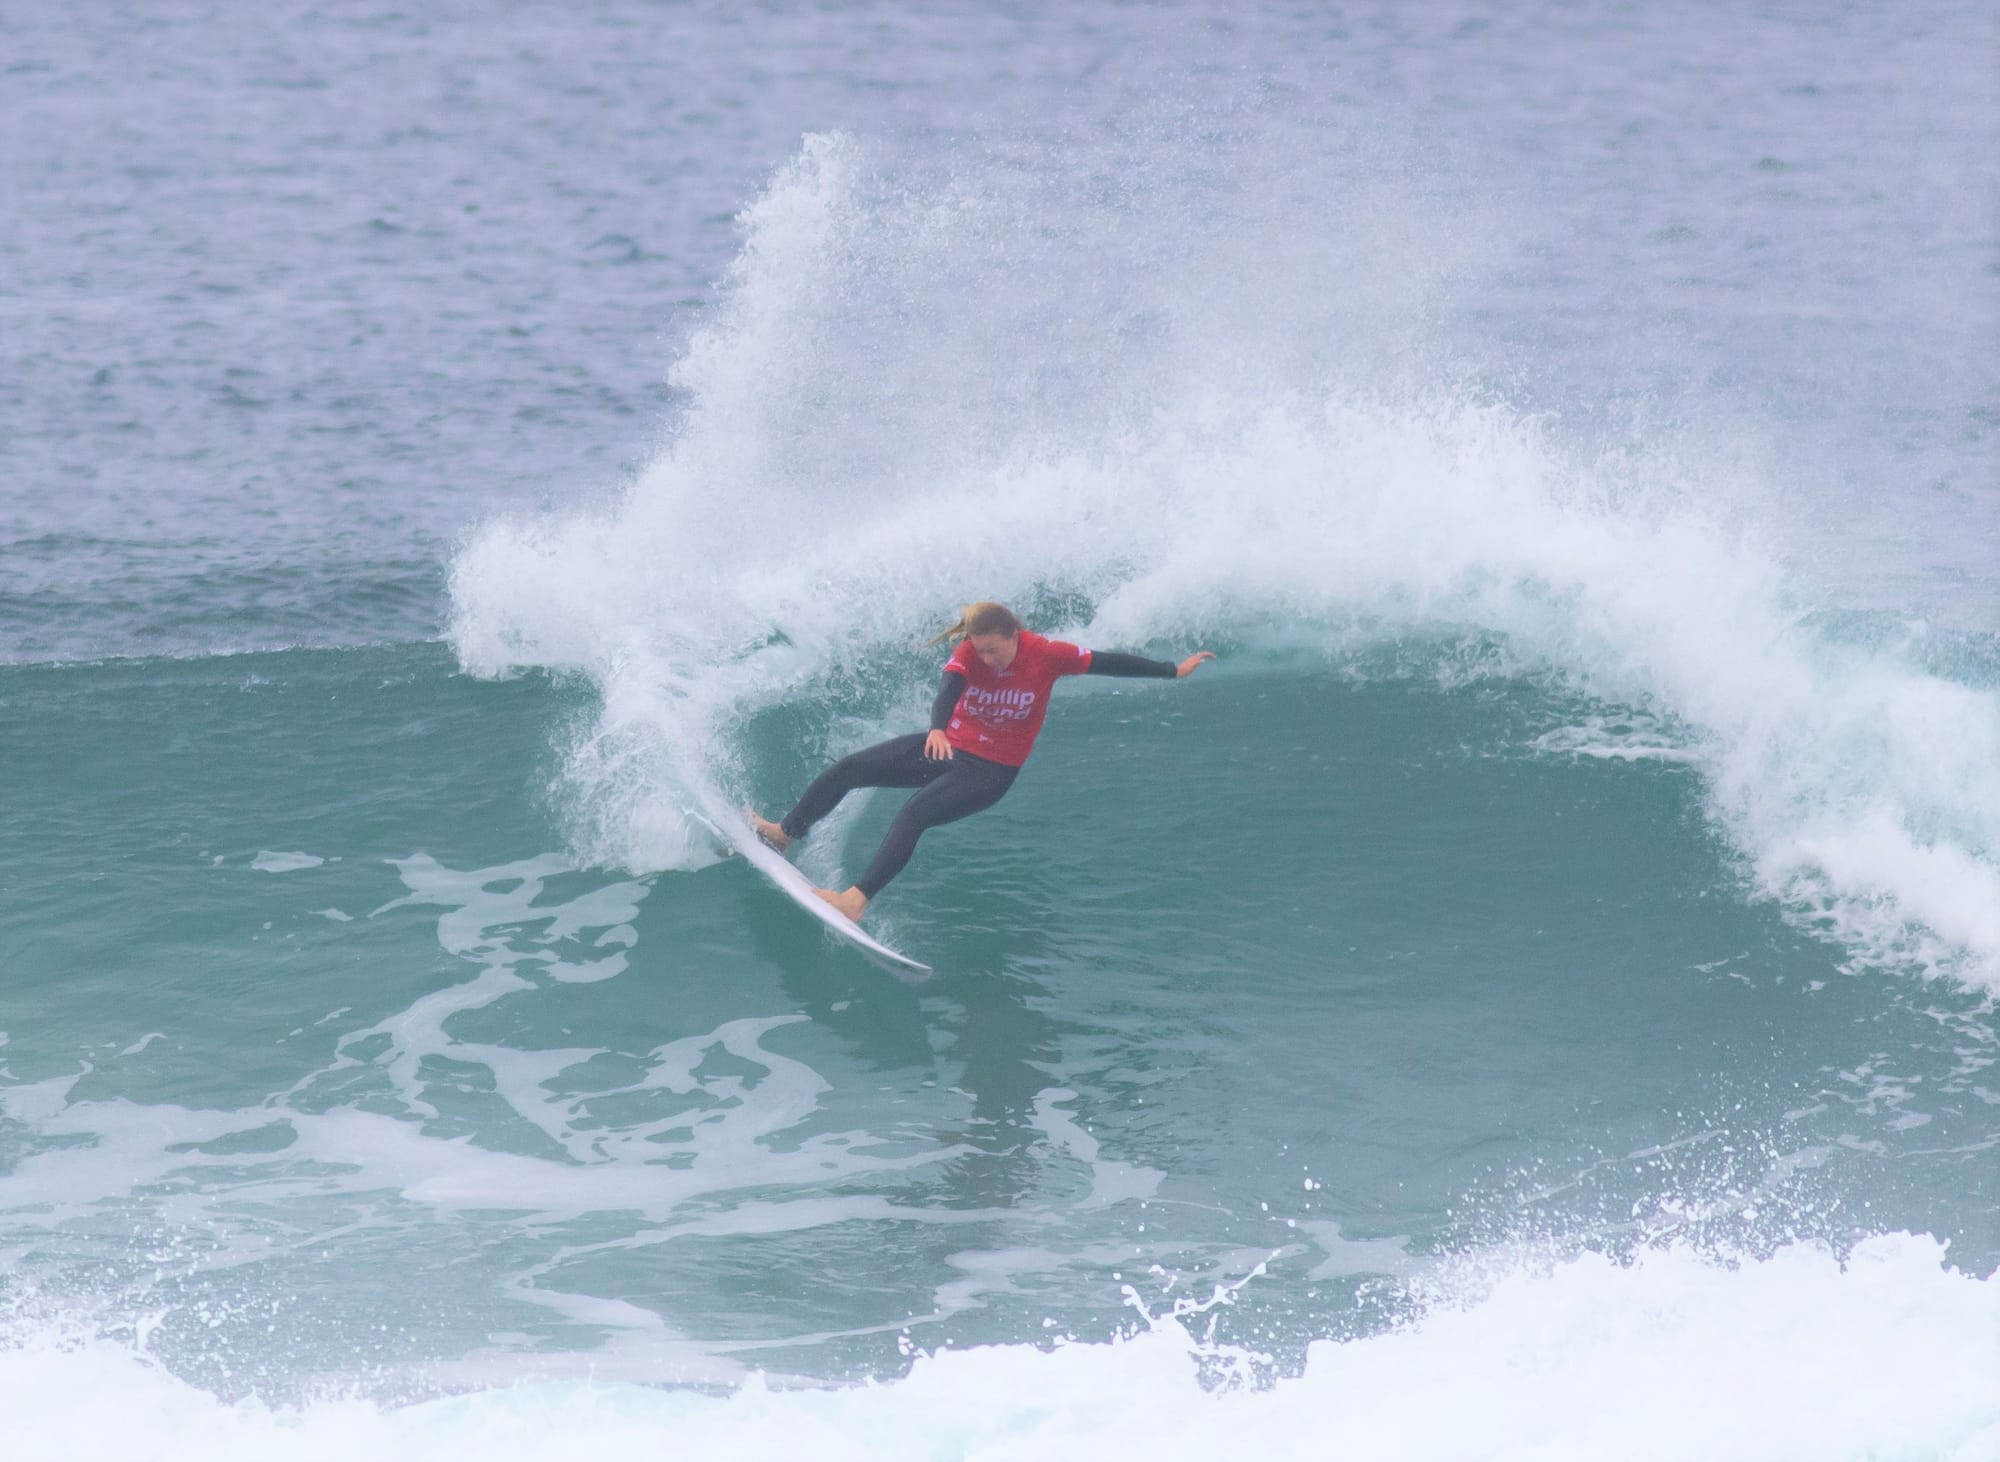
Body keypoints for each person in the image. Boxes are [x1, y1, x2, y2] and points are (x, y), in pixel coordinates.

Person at [751, 602, 1215, 923]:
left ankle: (855, 901)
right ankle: (785, 832)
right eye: (980, 650)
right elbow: (950, 688)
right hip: (950, 745)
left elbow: (1107, 663)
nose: (987, 659)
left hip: (991, 770)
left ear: (1015, 636)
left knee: (915, 813)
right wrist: (937, 727)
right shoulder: (970, 652)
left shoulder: (1048, 655)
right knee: (851, 768)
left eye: (994, 649)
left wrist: (1171, 671)